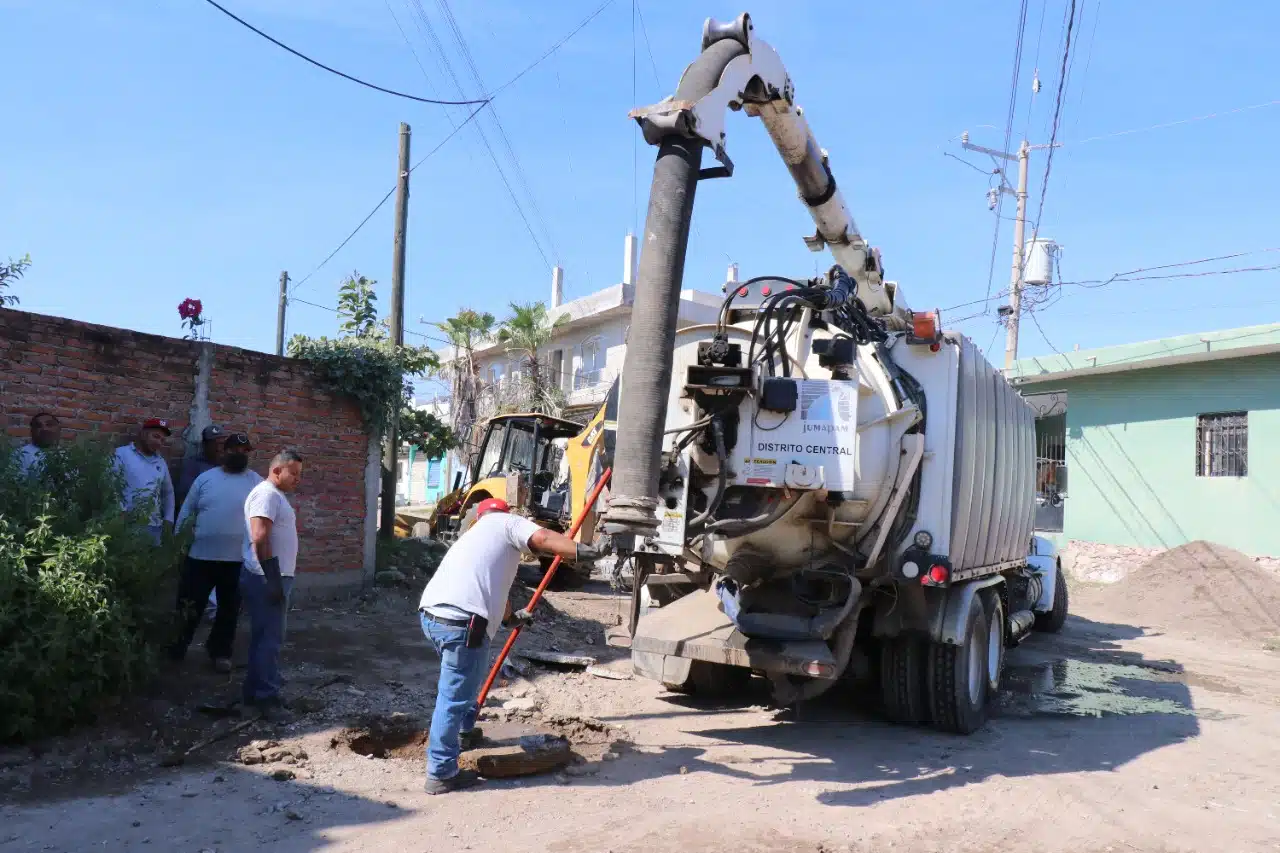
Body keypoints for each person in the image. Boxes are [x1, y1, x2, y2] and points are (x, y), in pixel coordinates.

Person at [417, 498, 607, 794]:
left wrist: (510, 619)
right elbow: (543, 537)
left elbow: (495, 588)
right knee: (453, 695)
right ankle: (441, 772)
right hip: (463, 622)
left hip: (433, 616)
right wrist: (583, 552)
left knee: (470, 675)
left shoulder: (475, 537)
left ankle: (465, 733)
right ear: (506, 514)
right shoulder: (505, 523)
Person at [170, 433, 262, 673]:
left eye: (244, 450)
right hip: (200, 556)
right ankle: (176, 648)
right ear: (224, 451)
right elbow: (187, 512)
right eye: (234, 449)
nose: (239, 454)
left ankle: (220, 652)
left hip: (236, 559)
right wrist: (178, 542)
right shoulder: (205, 478)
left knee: (229, 610)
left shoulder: (256, 483)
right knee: (189, 606)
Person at [240, 448, 303, 718]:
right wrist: (273, 579)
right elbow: (260, 537)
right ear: (277, 470)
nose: (298, 479)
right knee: (270, 640)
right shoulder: (266, 495)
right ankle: (266, 699)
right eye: (294, 473)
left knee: (263, 638)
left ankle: (254, 693)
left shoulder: (274, 496)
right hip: (267, 578)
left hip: (271, 577)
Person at [114, 418, 176, 544]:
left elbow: (168, 493)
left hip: (154, 527)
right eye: (156, 436)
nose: (159, 442)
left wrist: (168, 520)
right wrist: (121, 512)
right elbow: (111, 485)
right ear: (143, 433)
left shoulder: (160, 462)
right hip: (127, 523)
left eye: (162, 440)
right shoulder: (122, 454)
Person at [177, 425, 224, 509]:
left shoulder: (227, 465)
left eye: (221, 443)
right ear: (204, 445)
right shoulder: (193, 464)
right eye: (214, 444)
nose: (219, 448)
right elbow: (186, 494)